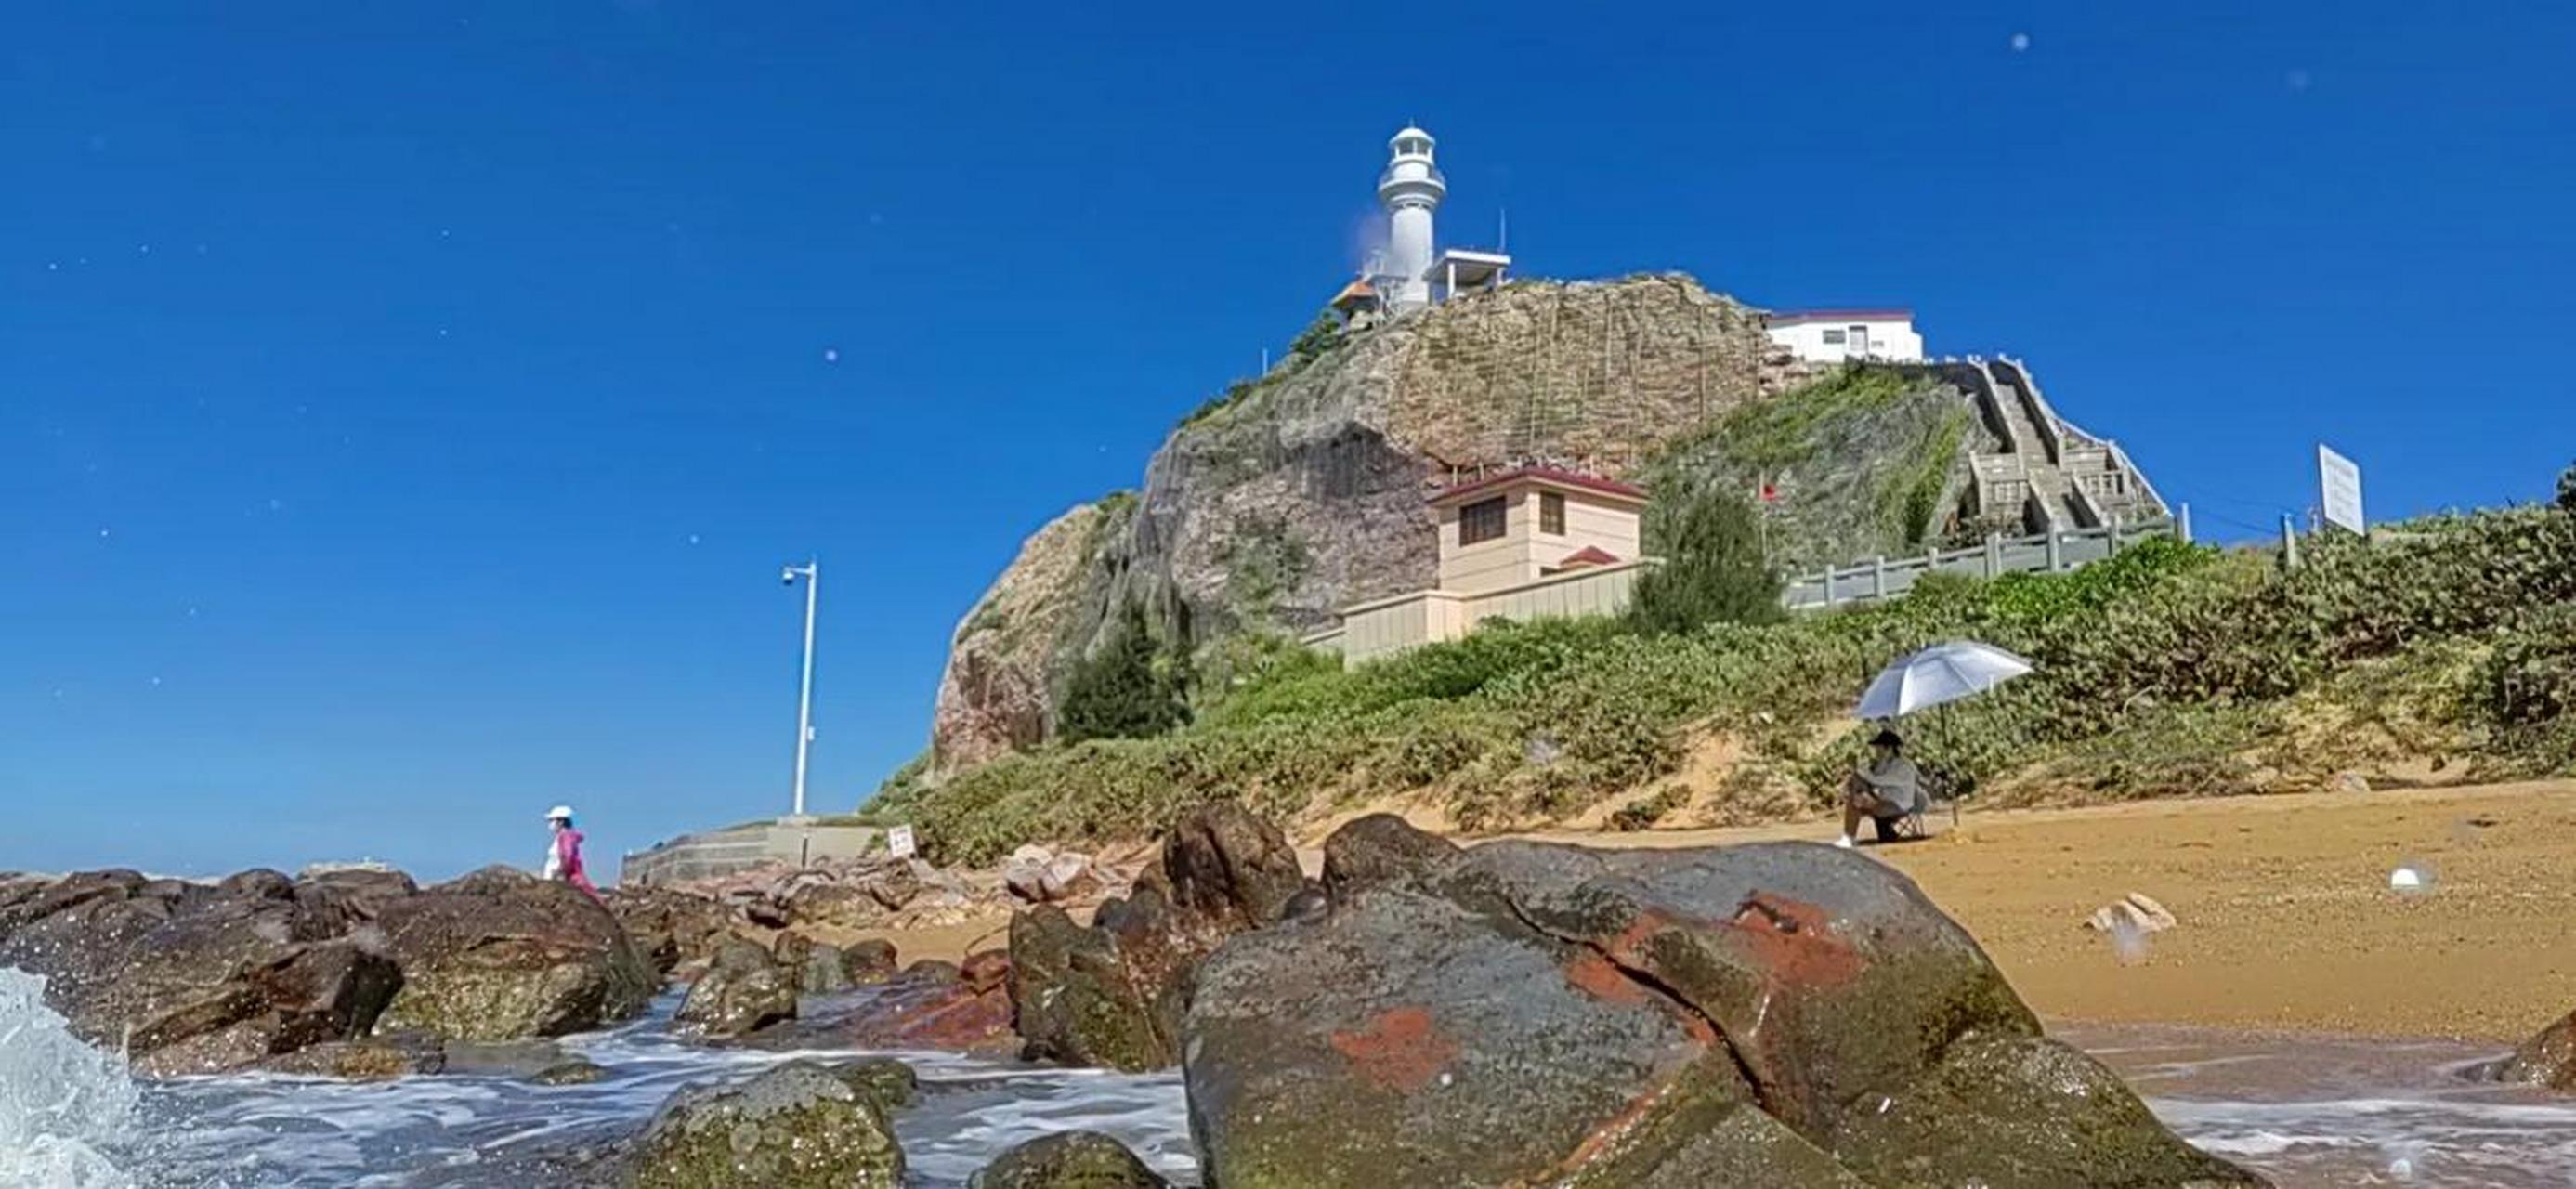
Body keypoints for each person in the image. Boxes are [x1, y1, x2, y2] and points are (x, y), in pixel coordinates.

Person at [1836, 728, 1924, 848]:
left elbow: (1879, 781)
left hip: (1898, 805)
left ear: (1889, 749)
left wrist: (1861, 773)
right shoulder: (1884, 763)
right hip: (1884, 801)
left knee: (1857, 799)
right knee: (1855, 798)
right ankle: (1849, 837)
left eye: (1879, 748)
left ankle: (1849, 837)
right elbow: (1873, 779)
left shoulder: (1903, 767)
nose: (1876, 751)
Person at [543, 804, 603, 902]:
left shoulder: (566, 836)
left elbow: (568, 856)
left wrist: (559, 871)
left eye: (551, 820)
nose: (550, 824)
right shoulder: (561, 837)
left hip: (564, 879)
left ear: (561, 822)